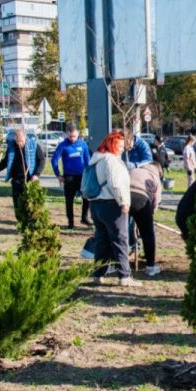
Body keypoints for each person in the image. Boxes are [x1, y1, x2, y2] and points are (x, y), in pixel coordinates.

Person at [86, 131, 138, 287]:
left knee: (102, 241)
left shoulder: (97, 159)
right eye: (120, 145)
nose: (122, 149)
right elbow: (115, 184)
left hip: (96, 205)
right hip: (111, 205)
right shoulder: (111, 160)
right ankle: (124, 276)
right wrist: (124, 202)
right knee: (120, 240)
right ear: (112, 145)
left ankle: (98, 274)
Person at [0, 130, 45, 222]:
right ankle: (20, 220)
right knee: (17, 201)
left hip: (30, 179)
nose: (19, 143)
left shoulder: (34, 146)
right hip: (16, 179)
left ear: (25, 137)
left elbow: (41, 160)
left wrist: (37, 174)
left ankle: (30, 221)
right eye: (17, 141)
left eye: (21, 141)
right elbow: (5, 162)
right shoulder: (12, 147)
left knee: (29, 202)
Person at [51, 123, 92, 229]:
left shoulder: (83, 144)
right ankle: (71, 222)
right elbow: (54, 159)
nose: (72, 138)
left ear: (77, 134)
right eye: (70, 136)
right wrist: (58, 175)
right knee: (69, 200)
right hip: (69, 177)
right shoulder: (63, 145)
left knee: (86, 197)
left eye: (74, 136)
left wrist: (89, 174)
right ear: (67, 134)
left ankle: (84, 217)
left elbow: (87, 161)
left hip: (82, 176)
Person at [128, 162, 163, 276]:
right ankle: (150, 266)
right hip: (142, 199)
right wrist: (151, 213)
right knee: (148, 234)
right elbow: (156, 199)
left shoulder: (134, 170)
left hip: (125, 197)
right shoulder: (155, 176)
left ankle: (116, 263)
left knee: (120, 232)